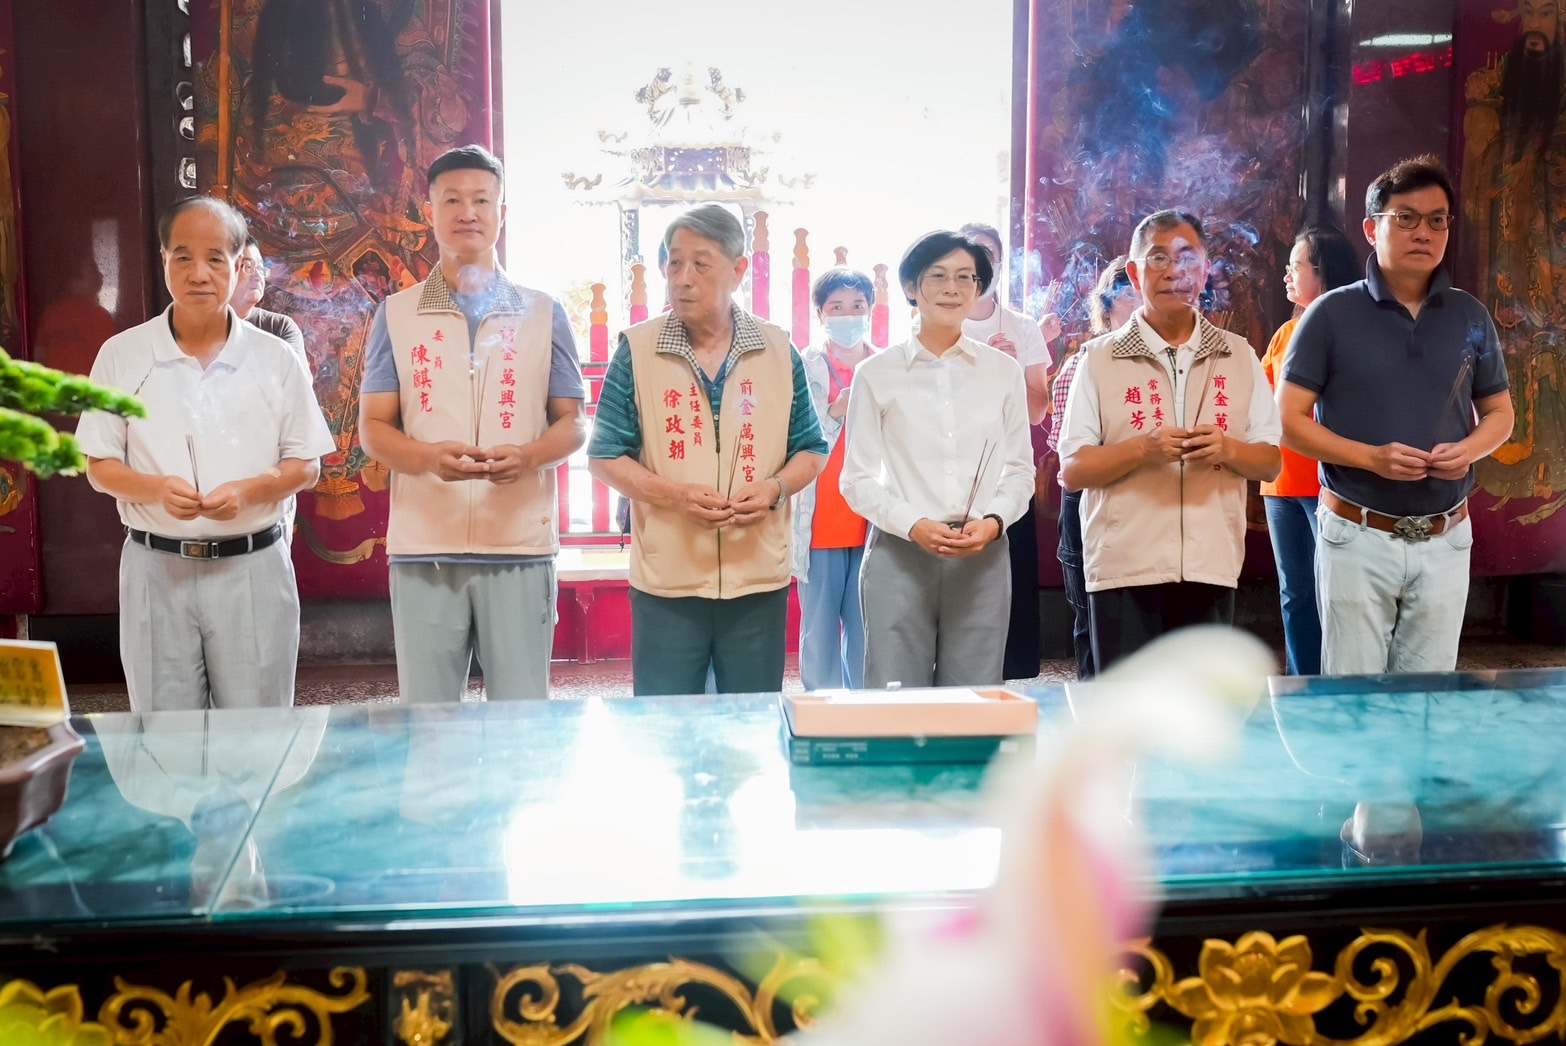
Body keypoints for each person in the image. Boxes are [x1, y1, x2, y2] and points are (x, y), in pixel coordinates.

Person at [78, 195, 334, 712]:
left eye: (215, 258)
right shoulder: (122, 355)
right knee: (166, 735)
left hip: (253, 567)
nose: (199, 273)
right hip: (156, 568)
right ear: (164, 259)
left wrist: (250, 491)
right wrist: (154, 489)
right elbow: (99, 465)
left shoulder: (275, 358)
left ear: (239, 266)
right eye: (184, 257)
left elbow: (306, 464)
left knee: (256, 733)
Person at [358, 144, 587, 703]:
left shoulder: (543, 312)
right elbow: (374, 429)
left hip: (518, 543)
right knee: (429, 719)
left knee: (521, 716)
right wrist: (428, 459)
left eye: (482, 200)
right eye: (452, 200)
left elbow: (574, 423)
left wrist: (528, 457)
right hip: (425, 546)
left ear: (501, 212)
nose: (468, 212)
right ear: (429, 212)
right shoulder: (397, 314)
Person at [1279, 156, 1514, 674]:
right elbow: (1288, 420)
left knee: (1429, 695)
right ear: (1372, 229)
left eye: (1437, 220)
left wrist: (1469, 449)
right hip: (1357, 533)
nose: (1423, 232)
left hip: (1447, 534)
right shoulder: (1331, 314)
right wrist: (1371, 458)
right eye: (1405, 218)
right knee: (1355, 693)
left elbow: (1500, 412)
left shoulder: (1470, 315)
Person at [587, 203, 828, 696]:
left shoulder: (778, 349)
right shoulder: (637, 349)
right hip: (667, 581)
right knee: (664, 722)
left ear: (738, 270)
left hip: (756, 578)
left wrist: (774, 489)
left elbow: (810, 449)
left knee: (751, 721)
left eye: (701, 264)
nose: (683, 278)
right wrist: (674, 496)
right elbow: (605, 455)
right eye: (674, 263)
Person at [1059, 209, 1282, 671]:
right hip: (1124, 566)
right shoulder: (1099, 359)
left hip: (1211, 562)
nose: (1174, 271)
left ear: (1205, 270)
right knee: (1128, 707)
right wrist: (1144, 448)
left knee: (1199, 709)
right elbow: (1074, 469)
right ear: (1135, 273)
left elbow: (1269, 462)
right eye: (1158, 258)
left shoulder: (1237, 354)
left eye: (1187, 258)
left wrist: (1227, 448)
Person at [842, 230, 1035, 688]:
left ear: (978, 288)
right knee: (895, 694)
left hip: (982, 553)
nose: (953, 288)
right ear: (912, 286)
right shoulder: (876, 373)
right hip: (900, 552)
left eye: (966, 277)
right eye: (938, 276)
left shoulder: (1003, 372)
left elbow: (1019, 469)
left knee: (974, 694)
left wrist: (994, 522)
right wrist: (912, 523)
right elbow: (857, 479)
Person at [1260, 226, 1358, 675]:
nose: (1286, 275)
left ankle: (1339, 682)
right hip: (1280, 482)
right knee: (1294, 591)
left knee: (1335, 592)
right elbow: (1262, 403)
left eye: (1295, 266)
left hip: (1331, 483)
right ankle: (1301, 685)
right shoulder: (1285, 333)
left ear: (1324, 272)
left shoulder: (1352, 330)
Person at [960, 221, 1053, 679]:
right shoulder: (938, 324)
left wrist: (1012, 368)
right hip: (950, 474)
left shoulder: (1022, 326)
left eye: (990, 255)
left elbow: (1037, 412)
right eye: (971, 253)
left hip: (1009, 476)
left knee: (1013, 582)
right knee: (958, 584)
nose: (981, 264)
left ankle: (1013, 681)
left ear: (1000, 263)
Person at [1047, 258, 1138, 680]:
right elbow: (1065, 451)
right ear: (1107, 303)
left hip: (1144, 499)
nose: (1138, 302)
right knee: (1091, 617)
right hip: (1088, 498)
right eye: (1128, 293)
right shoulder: (1082, 362)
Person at [792, 267, 876, 691]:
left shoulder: (886, 366)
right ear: (821, 314)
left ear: (870, 311)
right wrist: (835, 411)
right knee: (819, 633)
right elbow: (793, 440)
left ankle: (864, 711)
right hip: (821, 518)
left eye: (857, 306)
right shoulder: (802, 367)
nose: (848, 316)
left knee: (868, 632)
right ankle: (820, 713)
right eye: (836, 307)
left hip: (873, 519)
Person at [230, 235, 307, 369]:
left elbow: (296, 378)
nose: (258, 276)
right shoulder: (201, 324)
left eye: (261, 269)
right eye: (248, 266)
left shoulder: (280, 327)